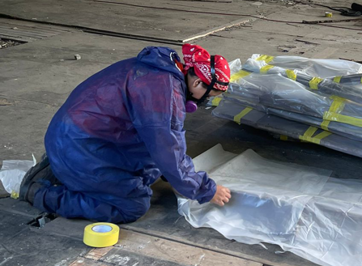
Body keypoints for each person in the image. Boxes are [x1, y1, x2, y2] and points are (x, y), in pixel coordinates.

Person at [19, 44, 232, 223]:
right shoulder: (165, 93)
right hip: (79, 145)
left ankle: (59, 167)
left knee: (151, 169)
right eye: (208, 95)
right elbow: (167, 146)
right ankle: (40, 193)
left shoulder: (163, 70)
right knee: (132, 205)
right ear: (196, 82)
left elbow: (161, 145)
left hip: (75, 135)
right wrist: (205, 190)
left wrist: (178, 178)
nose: (203, 102)